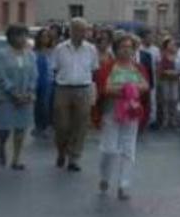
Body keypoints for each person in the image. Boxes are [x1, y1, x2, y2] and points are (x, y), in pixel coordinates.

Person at [94, 33, 149, 201]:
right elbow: (104, 88)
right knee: (109, 148)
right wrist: (124, 90)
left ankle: (124, 185)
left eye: (129, 47)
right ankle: (104, 177)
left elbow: (146, 86)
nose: (126, 50)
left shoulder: (139, 68)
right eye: (123, 47)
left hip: (132, 112)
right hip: (112, 112)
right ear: (116, 49)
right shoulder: (108, 67)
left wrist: (132, 89)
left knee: (128, 149)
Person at [52, 18, 99, 172]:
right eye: (78, 29)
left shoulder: (91, 49)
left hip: (83, 89)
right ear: (71, 31)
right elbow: (55, 68)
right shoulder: (60, 49)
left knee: (80, 126)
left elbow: (93, 70)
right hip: (63, 89)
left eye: (85, 30)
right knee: (62, 126)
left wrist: (92, 93)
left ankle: (74, 157)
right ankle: (61, 150)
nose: (82, 33)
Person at [0, 25, 37, 170]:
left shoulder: (30, 54)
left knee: (21, 128)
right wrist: (13, 92)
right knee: (5, 128)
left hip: (26, 96)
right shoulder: (2, 54)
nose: (23, 38)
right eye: (19, 35)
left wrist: (30, 91)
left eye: (25, 35)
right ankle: (1, 146)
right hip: (7, 97)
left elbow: (34, 75)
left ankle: (16, 159)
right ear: (10, 37)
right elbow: (1, 76)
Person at [33, 29, 55, 139]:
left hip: (49, 81)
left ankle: (47, 126)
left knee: (45, 104)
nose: (44, 39)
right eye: (42, 36)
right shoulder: (34, 51)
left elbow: (55, 67)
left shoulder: (53, 51)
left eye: (47, 36)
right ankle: (38, 126)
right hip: (36, 81)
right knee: (37, 105)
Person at [137, 29, 161, 130]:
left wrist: (158, 77)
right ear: (143, 38)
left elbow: (158, 64)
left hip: (152, 77)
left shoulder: (155, 50)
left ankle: (152, 120)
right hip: (141, 77)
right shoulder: (138, 49)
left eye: (151, 37)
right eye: (148, 37)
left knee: (152, 100)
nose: (150, 39)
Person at [157, 38, 180, 130]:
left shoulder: (178, 55)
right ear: (166, 45)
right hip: (165, 79)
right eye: (170, 44)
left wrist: (177, 73)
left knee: (174, 100)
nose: (173, 46)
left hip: (175, 80)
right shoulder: (163, 55)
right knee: (165, 100)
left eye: (173, 44)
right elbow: (159, 68)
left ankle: (174, 120)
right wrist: (167, 72)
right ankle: (165, 120)